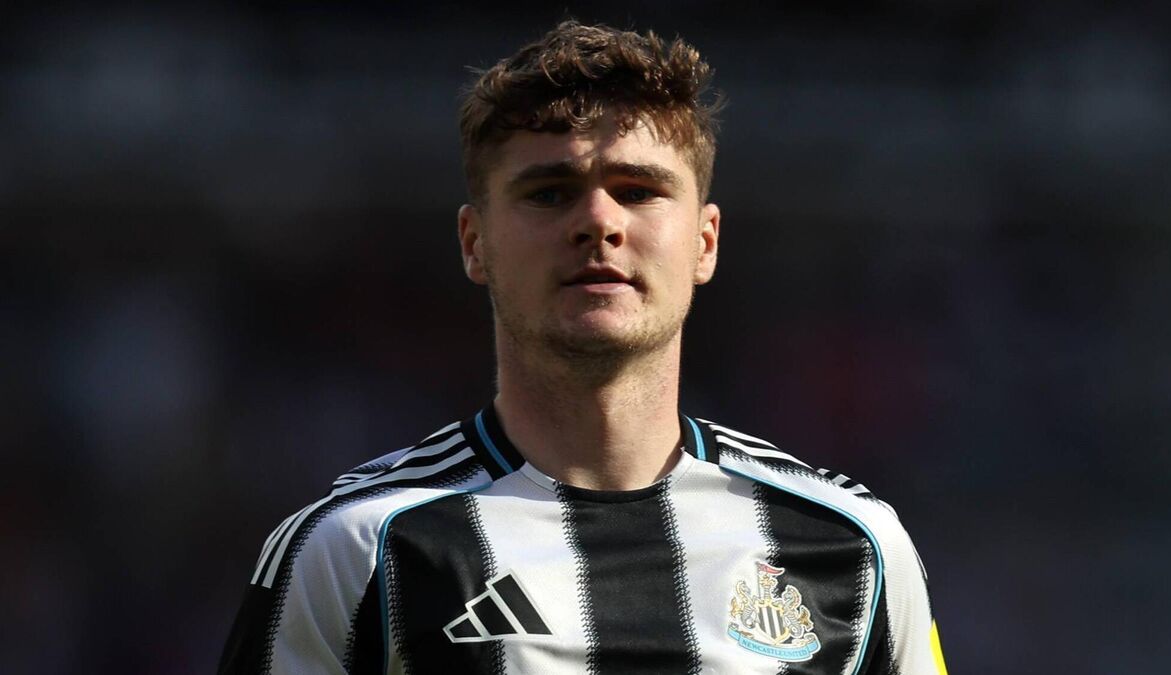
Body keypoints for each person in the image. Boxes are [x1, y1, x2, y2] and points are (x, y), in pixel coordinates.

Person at [219, 20, 948, 675]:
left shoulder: (853, 546)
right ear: (475, 243)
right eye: (548, 193)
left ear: (705, 241)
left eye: (638, 190)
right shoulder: (358, 550)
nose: (598, 221)